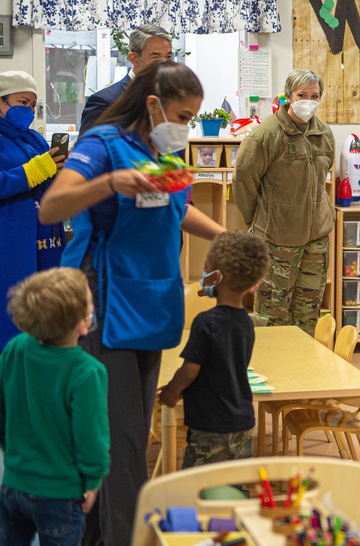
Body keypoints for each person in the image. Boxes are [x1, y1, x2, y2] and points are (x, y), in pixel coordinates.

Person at [38, 60, 224, 546]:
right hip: (103, 300)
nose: (186, 127)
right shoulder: (102, 145)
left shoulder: (167, 155)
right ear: (153, 105)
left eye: (192, 118)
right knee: (119, 442)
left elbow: (181, 210)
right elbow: (51, 207)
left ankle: (97, 538)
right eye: (182, 116)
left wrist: (228, 239)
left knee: (132, 433)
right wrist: (109, 184)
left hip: (152, 297)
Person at [0, 268, 110, 546]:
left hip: (12, 484)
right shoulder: (87, 371)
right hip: (60, 495)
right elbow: (91, 438)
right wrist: (93, 481)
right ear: (80, 324)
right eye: (89, 303)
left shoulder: (15, 349)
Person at [232, 69, 335, 335]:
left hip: (317, 237)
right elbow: (244, 183)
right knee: (272, 317)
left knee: (307, 314)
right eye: (302, 95)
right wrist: (257, 222)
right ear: (289, 96)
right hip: (278, 239)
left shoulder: (324, 133)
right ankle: (272, 371)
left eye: (314, 96)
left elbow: (323, 175)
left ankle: (303, 373)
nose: (308, 101)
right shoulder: (265, 135)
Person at [158, 231, 269, 468]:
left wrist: (171, 391)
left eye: (206, 268)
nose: (203, 274)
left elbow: (189, 370)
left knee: (201, 487)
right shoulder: (246, 321)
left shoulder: (206, 322)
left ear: (217, 276)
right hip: (243, 421)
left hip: (210, 424)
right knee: (234, 484)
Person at [0, 71, 66, 350]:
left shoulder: (34, 139)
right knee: (12, 319)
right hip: (10, 245)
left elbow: (48, 179)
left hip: (46, 240)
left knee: (47, 316)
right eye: (21, 102)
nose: (27, 110)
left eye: (32, 105)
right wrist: (28, 173)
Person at [79, 24, 173, 135]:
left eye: (168, 57)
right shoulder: (106, 102)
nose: (164, 63)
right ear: (134, 58)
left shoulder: (172, 98)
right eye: (155, 57)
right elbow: (87, 150)